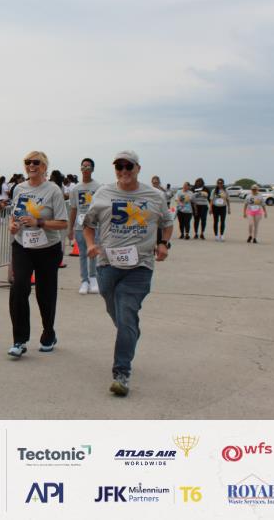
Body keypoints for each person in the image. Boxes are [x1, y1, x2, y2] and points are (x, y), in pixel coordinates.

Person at [83, 150, 174, 397]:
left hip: (140, 267)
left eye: (128, 166)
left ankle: (121, 374)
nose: (124, 171)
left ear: (138, 168)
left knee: (125, 313)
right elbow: (88, 224)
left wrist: (164, 244)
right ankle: (130, 331)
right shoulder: (103, 193)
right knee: (119, 316)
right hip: (107, 265)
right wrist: (90, 244)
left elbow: (167, 223)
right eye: (119, 167)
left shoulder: (154, 196)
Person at [6, 151, 69, 357]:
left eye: (36, 162)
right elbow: (14, 215)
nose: (31, 166)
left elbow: (63, 223)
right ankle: (19, 340)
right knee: (19, 287)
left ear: (44, 167)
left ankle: (48, 333)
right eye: (28, 162)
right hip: (22, 246)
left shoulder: (53, 190)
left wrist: (38, 222)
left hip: (48, 249)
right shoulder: (19, 188)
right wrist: (12, 226)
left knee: (45, 294)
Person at [68, 158, 101, 295]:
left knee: (93, 252)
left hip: (94, 225)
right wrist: (70, 228)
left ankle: (93, 278)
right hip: (80, 226)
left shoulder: (98, 187)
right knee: (82, 254)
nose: (85, 169)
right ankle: (84, 280)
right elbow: (73, 209)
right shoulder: (76, 189)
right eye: (83, 166)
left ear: (92, 169)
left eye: (88, 167)